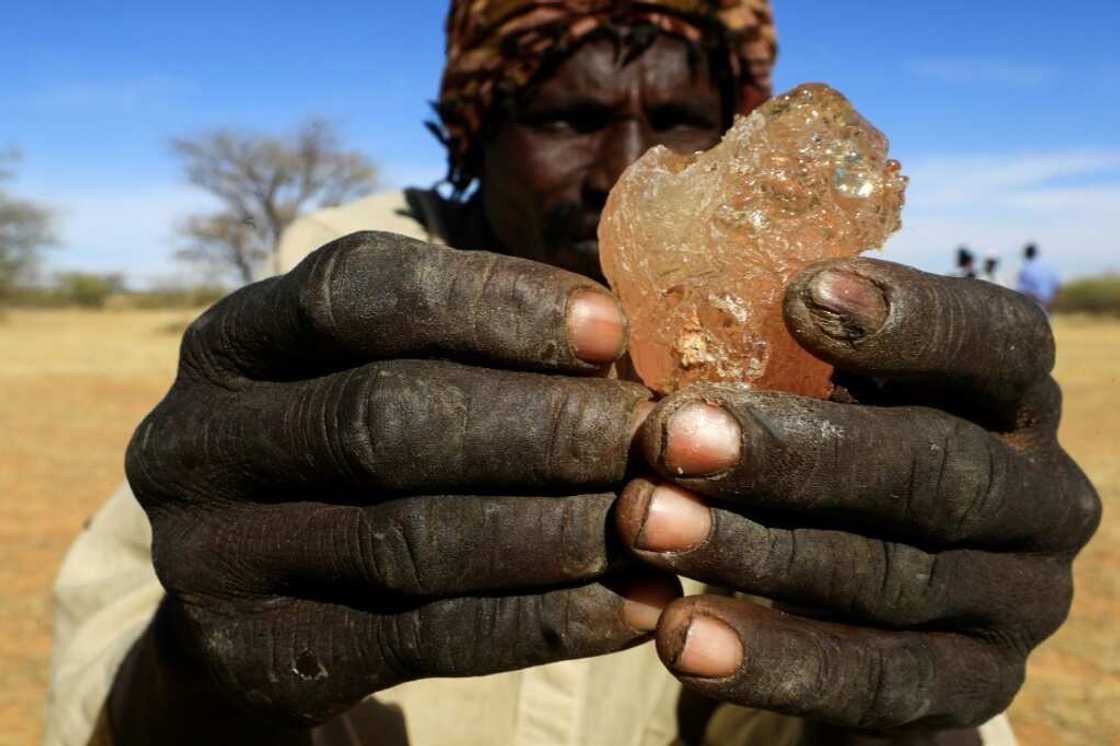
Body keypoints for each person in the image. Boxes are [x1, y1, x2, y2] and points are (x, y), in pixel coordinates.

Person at [46, 2, 1100, 745]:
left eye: (682, 122)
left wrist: (913, 685)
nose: (619, 171)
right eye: (569, 118)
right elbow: (110, 676)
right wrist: (205, 666)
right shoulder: (334, 295)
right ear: (476, 132)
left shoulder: (804, 343)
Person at [1017, 243, 1061, 312]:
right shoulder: (1048, 267)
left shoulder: (1025, 269)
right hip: (1048, 307)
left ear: (1025, 254)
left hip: (1033, 308)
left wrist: (1041, 302)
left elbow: (1023, 291)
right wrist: (1051, 304)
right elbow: (1057, 287)